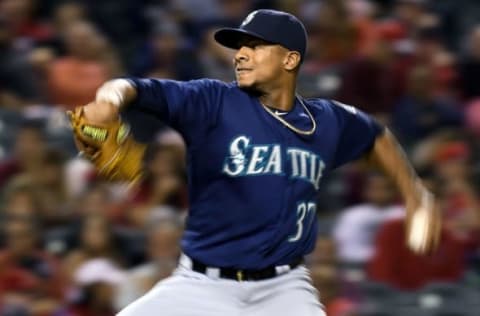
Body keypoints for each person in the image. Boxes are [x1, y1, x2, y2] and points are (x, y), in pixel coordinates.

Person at [76, 9, 441, 316]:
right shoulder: (213, 101)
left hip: (284, 290)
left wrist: (415, 192)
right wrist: (108, 101)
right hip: (201, 286)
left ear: (290, 59)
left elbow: (375, 136)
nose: (240, 54)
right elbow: (135, 88)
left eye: (255, 46)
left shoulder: (328, 121)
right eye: (239, 47)